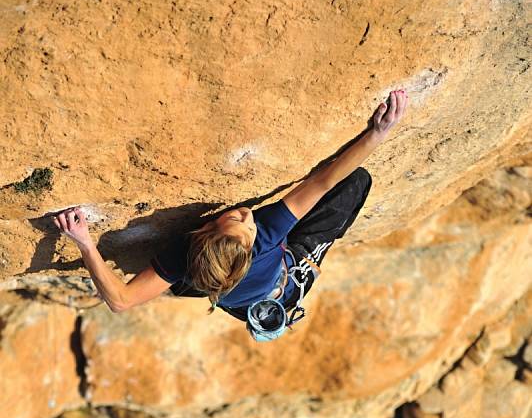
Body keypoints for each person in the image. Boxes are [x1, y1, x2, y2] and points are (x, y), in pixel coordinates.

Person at [54, 89, 408, 337]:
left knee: (354, 181)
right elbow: (322, 184)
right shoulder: (265, 238)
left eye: (240, 222)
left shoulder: (187, 257)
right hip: (280, 288)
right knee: (356, 184)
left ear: (207, 232)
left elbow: (121, 301)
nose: (247, 216)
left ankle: (232, 300)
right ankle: (272, 311)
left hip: (227, 290)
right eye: (244, 224)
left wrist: (85, 242)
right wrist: (378, 133)